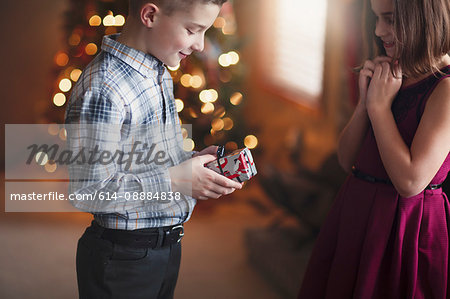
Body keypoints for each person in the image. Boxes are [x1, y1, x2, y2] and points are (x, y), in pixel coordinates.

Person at [64, 0, 242, 298]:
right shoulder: (104, 89)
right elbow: (88, 191)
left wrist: (192, 162)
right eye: (192, 30)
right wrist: (174, 179)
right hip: (123, 257)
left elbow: (149, 158)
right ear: (150, 15)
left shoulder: (156, 70)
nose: (199, 45)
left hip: (165, 247)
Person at [298, 0, 450, 297]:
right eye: (376, 18)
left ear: (423, 19)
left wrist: (380, 109)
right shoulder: (391, 75)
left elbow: (410, 182)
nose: (379, 30)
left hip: (404, 228)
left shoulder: (444, 89)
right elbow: (347, 160)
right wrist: (365, 104)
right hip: (357, 209)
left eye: (390, 19)